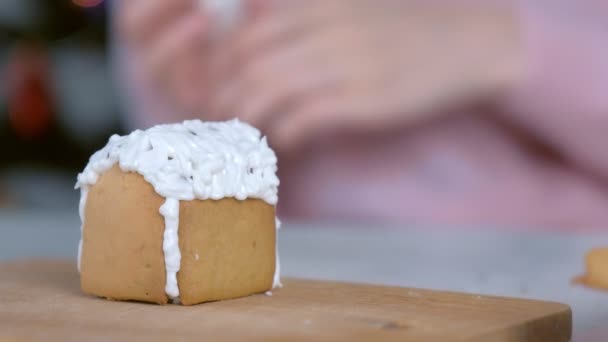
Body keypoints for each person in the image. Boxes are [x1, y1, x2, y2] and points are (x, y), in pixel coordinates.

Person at [111, 0, 608, 228]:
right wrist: (206, 93)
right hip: (310, 296)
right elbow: (182, 188)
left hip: (558, 295)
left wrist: (506, 44)